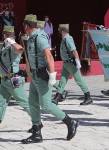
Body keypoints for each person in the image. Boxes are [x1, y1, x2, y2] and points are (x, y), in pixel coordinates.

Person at [21, 15, 79, 144]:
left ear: (26, 25)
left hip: (42, 76)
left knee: (46, 105)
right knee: (32, 103)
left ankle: (70, 122)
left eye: (24, 25)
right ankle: (36, 132)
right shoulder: (32, 38)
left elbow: (49, 56)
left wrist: (52, 76)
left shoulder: (39, 37)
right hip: (35, 75)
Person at [0, 25, 34, 136]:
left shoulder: (13, 47)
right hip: (5, 81)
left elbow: (21, 50)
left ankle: (37, 123)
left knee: (24, 103)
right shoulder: (4, 46)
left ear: (5, 35)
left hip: (14, 80)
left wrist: (11, 42)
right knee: (1, 102)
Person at [52, 24, 93, 106]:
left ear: (62, 31)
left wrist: (77, 61)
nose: (59, 33)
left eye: (59, 31)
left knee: (79, 80)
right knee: (62, 81)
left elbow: (74, 50)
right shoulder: (64, 39)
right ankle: (57, 98)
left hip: (71, 63)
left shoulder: (68, 39)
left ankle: (88, 97)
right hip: (66, 63)